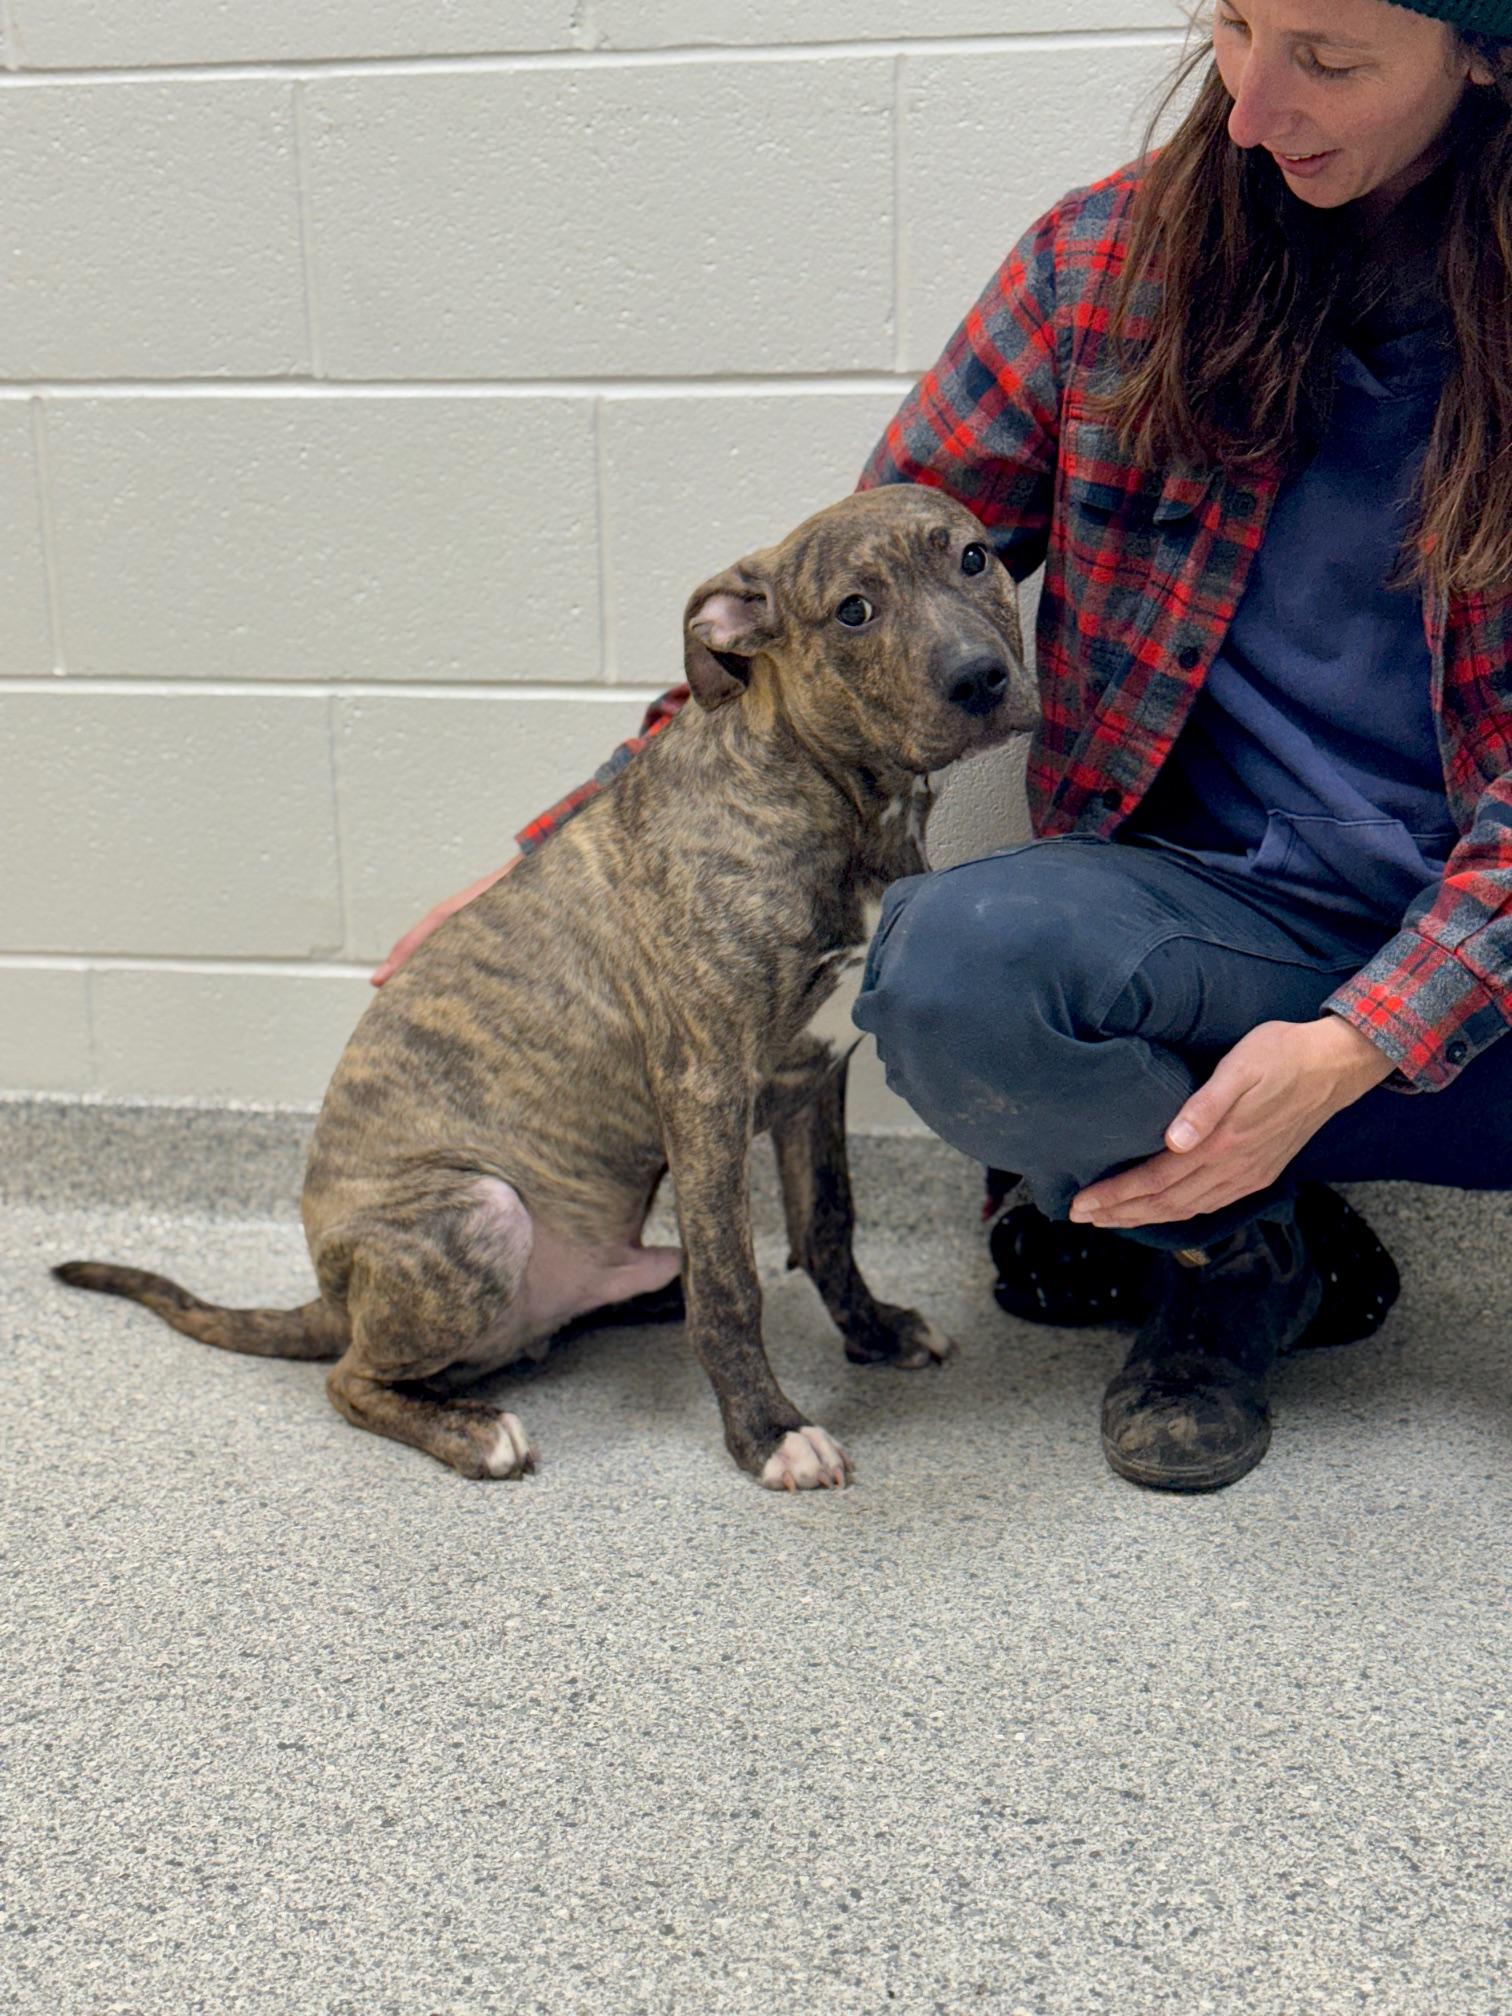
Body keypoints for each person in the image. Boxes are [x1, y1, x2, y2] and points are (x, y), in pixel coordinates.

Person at [374, 0, 1512, 1493]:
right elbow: (832, 609)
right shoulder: (1106, 270)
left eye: (1333, 60)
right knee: (952, 963)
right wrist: (553, 857)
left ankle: (1195, 1192)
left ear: (1487, 53)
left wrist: (1370, 1038)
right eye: (1236, 24)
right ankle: (1229, 1256)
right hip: (1212, 931)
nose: (1248, 106)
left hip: (1473, 945)